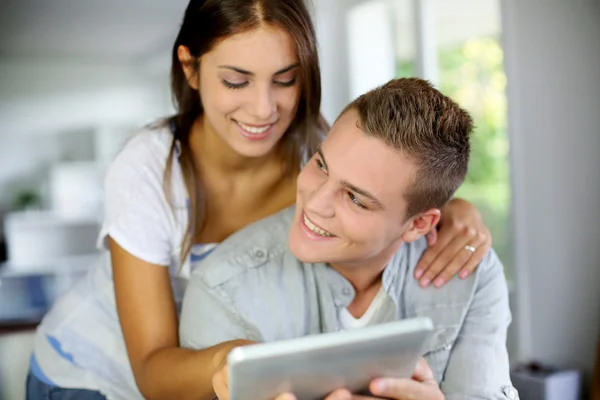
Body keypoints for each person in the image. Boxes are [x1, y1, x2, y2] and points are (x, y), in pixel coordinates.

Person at [26, 1, 492, 399]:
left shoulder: (315, 149)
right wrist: (240, 358)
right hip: (89, 372)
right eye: (236, 81)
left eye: (285, 80)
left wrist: (456, 209)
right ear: (190, 67)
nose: (263, 109)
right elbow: (152, 371)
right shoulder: (148, 170)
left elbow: (389, 189)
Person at [179, 78, 518, 400]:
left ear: (418, 225)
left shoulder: (471, 273)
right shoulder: (223, 286)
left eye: (355, 198)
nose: (314, 203)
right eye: (322, 166)